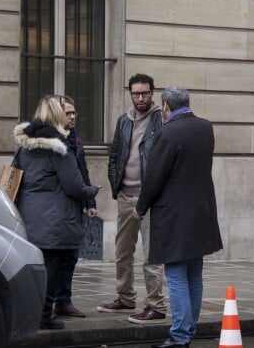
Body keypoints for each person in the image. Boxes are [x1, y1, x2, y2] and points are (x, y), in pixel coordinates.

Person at [133, 85, 223, 348]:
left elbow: (154, 177)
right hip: (201, 212)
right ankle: (189, 329)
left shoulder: (168, 133)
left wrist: (140, 207)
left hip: (174, 215)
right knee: (194, 273)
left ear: (165, 106)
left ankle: (180, 334)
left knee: (175, 275)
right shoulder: (206, 128)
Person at [13, 95, 100, 329]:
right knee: (52, 270)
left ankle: (29, 312)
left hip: (29, 217)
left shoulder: (24, 147)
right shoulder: (60, 149)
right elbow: (74, 186)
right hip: (55, 219)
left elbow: (15, 178)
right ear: (56, 117)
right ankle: (44, 315)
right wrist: (93, 191)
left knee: (33, 268)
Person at [97, 73, 167, 324]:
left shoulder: (161, 120)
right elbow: (115, 153)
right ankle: (125, 297)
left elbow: (164, 159)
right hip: (126, 197)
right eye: (136, 93)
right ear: (130, 93)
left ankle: (156, 305)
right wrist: (116, 188)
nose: (140, 97)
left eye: (145, 93)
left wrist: (155, 194)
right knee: (122, 252)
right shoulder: (123, 121)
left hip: (150, 199)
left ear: (152, 93)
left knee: (152, 256)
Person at [54, 95, 98, 318]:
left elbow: (82, 171)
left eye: (74, 113)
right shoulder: (54, 141)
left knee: (71, 255)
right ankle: (51, 302)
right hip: (59, 207)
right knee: (56, 258)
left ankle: (64, 300)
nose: (72, 117)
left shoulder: (74, 138)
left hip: (75, 205)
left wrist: (90, 201)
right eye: (68, 113)